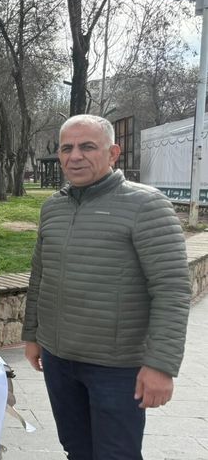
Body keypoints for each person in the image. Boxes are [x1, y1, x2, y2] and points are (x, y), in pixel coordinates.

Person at [22, 114, 191, 459]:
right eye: (67, 148)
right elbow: (40, 275)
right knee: (76, 450)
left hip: (116, 368)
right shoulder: (53, 207)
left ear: (114, 153)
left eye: (87, 147)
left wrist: (161, 364)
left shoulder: (147, 205)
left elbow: (172, 288)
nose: (74, 156)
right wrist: (32, 336)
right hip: (59, 360)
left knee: (117, 455)